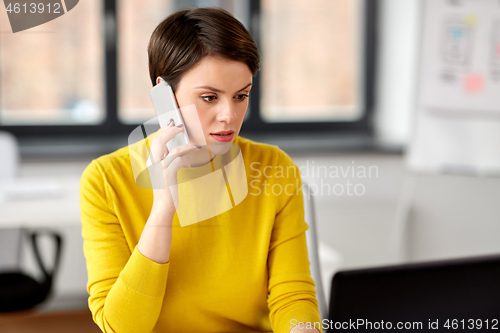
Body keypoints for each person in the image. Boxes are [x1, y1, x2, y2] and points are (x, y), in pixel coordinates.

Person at [80, 7, 321, 333]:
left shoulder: (274, 168)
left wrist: (302, 329)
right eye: (210, 97)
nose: (229, 115)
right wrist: (163, 209)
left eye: (241, 96)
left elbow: (292, 294)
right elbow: (122, 327)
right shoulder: (106, 180)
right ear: (164, 95)